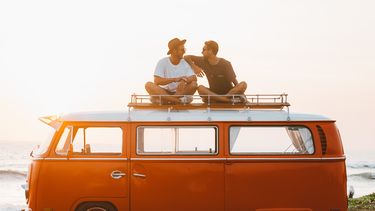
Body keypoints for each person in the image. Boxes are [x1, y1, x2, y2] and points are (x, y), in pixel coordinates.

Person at [145, 38, 198, 104]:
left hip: (180, 92)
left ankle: (167, 100)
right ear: (174, 51)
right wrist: (175, 79)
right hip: (165, 92)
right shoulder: (162, 62)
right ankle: (176, 101)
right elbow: (157, 81)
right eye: (182, 50)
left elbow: (194, 78)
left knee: (194, 84)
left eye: (184, 49)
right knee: (148, 85)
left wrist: (184, 80)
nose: (184, 51)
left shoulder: (185, 62)